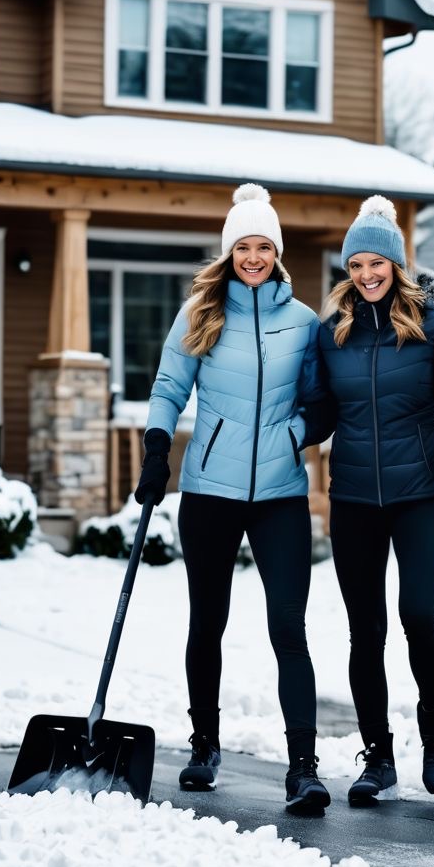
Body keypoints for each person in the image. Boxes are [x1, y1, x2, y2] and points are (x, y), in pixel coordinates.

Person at [133, 183, 331, 816]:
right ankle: (204, 746)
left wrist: (295, 435)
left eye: (262, 246)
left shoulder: (303, 322)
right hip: (210, 491)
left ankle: (303, 767)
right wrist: (157, 448)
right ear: (229, 251)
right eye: (242, 246)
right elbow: (169, 384)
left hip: (279, 495)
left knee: (287, 627)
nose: (252, 257)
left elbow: (320, 402)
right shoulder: (200, 313)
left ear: (277, 252)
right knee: (207, 620)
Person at [311, 195, 434, 806]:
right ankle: (378, 756)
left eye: (378, 263)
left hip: (422, 494)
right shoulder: (331, 335)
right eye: (357, 263)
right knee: (365, 631)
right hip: (356, 500)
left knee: (418, 614)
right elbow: (317, 413)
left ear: (398, 266)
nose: (367, 274)